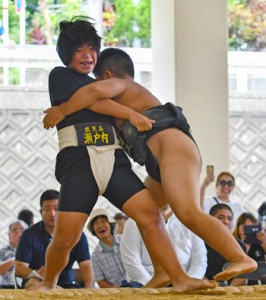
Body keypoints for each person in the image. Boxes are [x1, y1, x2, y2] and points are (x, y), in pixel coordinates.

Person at [30, 17, 215, 292]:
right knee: (65, 238)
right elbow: (97, 100)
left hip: (114, 160)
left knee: (150, 215)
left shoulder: (100, 85)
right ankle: (48, 283)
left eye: (92, 48)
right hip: (79, 162)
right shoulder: (60, 76)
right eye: (80, 49)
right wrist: (131, 113)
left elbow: (100, 97)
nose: (87, 56)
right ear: (67, 53)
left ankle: (178, 277)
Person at [43, 47, 257, 284]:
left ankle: (240, 257)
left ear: (107, 76)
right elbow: (96, 105)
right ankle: (163, 271)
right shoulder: (124, 102)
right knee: (145, 215)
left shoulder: (123, 85)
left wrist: (62, 109)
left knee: (188, 212)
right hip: (158, 162)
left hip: (174, 151)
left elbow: (92, 93)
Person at [15, 189, 94, 289]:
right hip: (38, 282)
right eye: (47, 209)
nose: (52, 214)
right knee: (33, 284)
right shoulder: (28, 234)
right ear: (41, 212)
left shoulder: (76, 234)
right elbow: (19, 268)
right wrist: (35, 272)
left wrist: (89, 293)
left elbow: (86, 267)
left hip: (67, 285)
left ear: (63, 210)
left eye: (56, 209)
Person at [120, 213, 207, 287]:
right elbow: (131, 261)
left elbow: (199, 262)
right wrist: (151, 286)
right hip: (145, 282)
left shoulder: (188, 221)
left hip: (186, 281)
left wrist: (189, 282)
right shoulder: (133, 222)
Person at [88, 209, 135, 287]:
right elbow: (101, 282)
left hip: (138, 284)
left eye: (103, 221)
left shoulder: (125, 240)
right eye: (96, 223)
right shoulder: (95, 256)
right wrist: (117, 289)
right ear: (93, 230)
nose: (100, 226)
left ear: (110, 224)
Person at [204, 204, 246, 286]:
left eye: (229, 219)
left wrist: (229, 290)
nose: (226, 222)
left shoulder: (239, 245)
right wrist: (208, 286)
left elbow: (242, 275)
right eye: (221, 217)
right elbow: (194, 269)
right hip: (203, 287)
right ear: (210, 219)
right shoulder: (199, 242)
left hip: (230, 290)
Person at [233, 212, 266, 285]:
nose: (248, 231)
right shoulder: (234, 242)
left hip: (261, 276)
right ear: (238, 227)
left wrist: (263, 242)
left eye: (251, 227)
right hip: (243, 278)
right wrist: (245, 246)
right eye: (244, 228)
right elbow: (238, 261)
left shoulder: (260, 242)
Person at [0, 220, 27, 288]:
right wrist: (13, 261)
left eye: (22, 231)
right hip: (7, 287)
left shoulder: (33, 251)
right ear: (9, 236)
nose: (19, 235)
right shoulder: (3, 251)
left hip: (28, 287)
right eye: (15, 232)